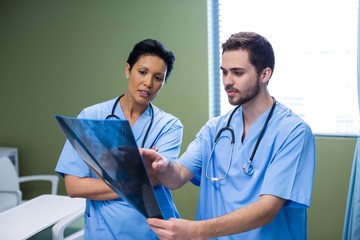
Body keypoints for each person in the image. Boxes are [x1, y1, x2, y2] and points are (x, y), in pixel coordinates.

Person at [141, 32, 316, 240]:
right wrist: (162, 166)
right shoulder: (215, 129)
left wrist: (196, 231)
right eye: (224, 72)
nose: (227, 81)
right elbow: (177, 177)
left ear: (265, 75)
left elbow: (268, 209)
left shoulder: (294, 132)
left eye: (238, 73)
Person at [55, 38, 183, 239]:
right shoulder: (91, 117)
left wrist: (103, 178)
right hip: (103, 232)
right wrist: (139, 179)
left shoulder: (169, 125)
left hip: (152, 231)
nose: (148, 83)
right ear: (128, 70)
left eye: (158, 77)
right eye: (142, 72)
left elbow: (158, 177)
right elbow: (74, 186)